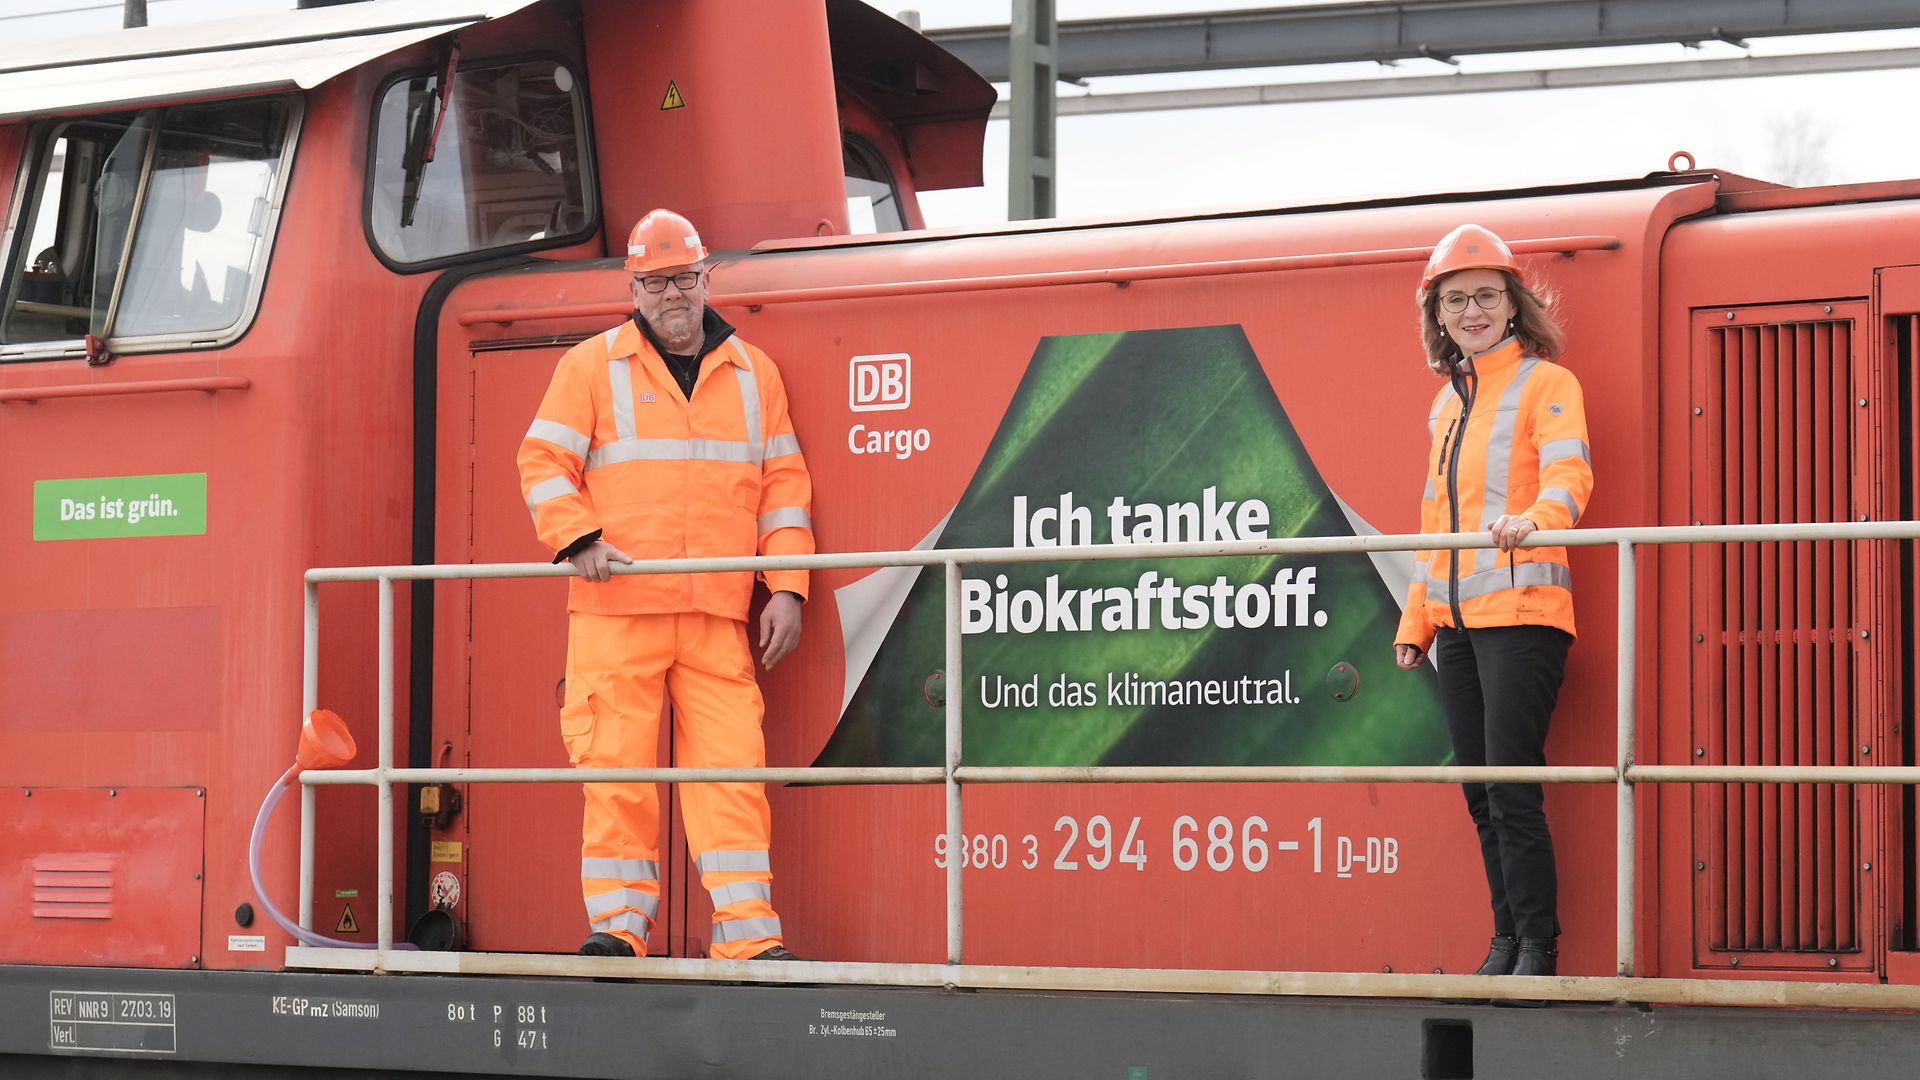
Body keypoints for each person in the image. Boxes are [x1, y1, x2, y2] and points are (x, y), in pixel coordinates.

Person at [517, 208, 815, 961]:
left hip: (716, 612)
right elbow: (542, 463)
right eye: (655, 282)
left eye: (683, 278)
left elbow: (783, 487)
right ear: (635, 286)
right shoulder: (591, 366)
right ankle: (619, 932)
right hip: (618, 610)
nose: (671, 294)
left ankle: (748, 938)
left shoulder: (756, 375)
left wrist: (786, 585)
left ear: (706, 278)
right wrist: (577, 538)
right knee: (618, 776)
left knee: (731, 776)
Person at [1393, 223, 1592, 980]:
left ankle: (1537, 950)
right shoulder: (1446, 405)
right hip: (1458, 627)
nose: (1472, 311)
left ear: (1513, 305)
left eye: (1485, 296)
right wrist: (1416, 622)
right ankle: (1505, 942)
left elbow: (1570, 477)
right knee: (1478, 792)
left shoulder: (1548, 383)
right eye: (1455, 300)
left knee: (1512, 785)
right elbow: (1432, 523)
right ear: (1437, 316)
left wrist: (1535, 520)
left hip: (1524, 615)